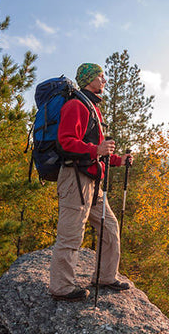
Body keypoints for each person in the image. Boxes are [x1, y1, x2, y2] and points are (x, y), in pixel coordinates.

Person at [50, 62, 135, 301]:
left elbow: (99, 150)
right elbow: (65, 142)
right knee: (70, 234)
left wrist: (118, 160)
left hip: (92, 181)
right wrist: (96, 149)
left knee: (110, 228)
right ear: (89, 80)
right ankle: (61, 287)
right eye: (101, 76)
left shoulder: (92, 107)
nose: (104, 80)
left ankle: (105, 277)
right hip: (75, 179)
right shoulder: (76, 105)